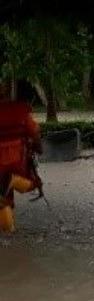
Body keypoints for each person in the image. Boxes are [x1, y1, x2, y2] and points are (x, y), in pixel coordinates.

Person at [0, 97, 43, 234]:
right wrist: (39, 147)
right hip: (18, 160)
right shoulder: (21, 111)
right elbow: (35, 132)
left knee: (2, 197)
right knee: (8, 191)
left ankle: (8, 233)